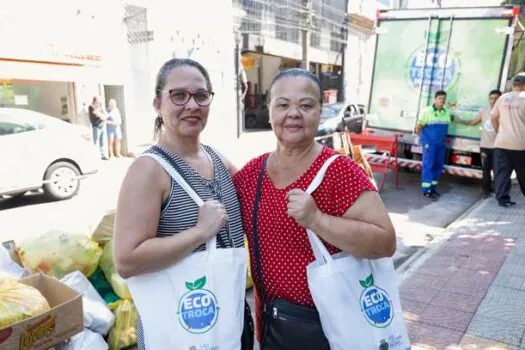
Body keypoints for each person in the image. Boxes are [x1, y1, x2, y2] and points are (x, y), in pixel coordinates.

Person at [233, 68, 396, 347]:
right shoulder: (252, 174)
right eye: (283, 105)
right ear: (269, 111)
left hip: (334, 329)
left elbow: (385, 242)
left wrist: (317, 219)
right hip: (273, 328)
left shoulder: (340, 171)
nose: (293, 113)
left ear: (320, 112)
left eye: (305, 105)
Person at [113, 58, 246, 350]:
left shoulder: (219, 160)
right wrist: (199, 233)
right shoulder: (149, 169)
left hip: (225, 324)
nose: (192, 105)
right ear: (157, 103)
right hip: (178, 330)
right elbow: (126, 260)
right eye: (178, 95)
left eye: (200, 95)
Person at [416, 90, 461, 200]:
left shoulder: (445, 112)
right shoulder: (427, 111)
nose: (442, 101)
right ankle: (426, 190)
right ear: (435, 99)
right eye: (440, 98)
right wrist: (423, 139)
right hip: (429, 144)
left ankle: (433, 188)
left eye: (443, 99)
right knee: (429, 166)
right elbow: (419, 126)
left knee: (438, 166)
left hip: (440, 144)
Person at [455, 90, 502, 198]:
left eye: (496, 98)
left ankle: (499, 191)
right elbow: (472, 122)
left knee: (498, 171)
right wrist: (459, 121)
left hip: (498, 147)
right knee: (485, 170)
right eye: (491, 98)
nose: (493, 101)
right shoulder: (484, 112)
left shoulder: (504, 113)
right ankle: (486, 191)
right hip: (485, 147)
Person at [490, 75, 525, 208]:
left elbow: (493, 117)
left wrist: (499, 130)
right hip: (520, 144)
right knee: (522, 172)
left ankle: (503, 199)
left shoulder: (502, 98)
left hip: (501, 143)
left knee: (502, 173)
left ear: (513, 85)